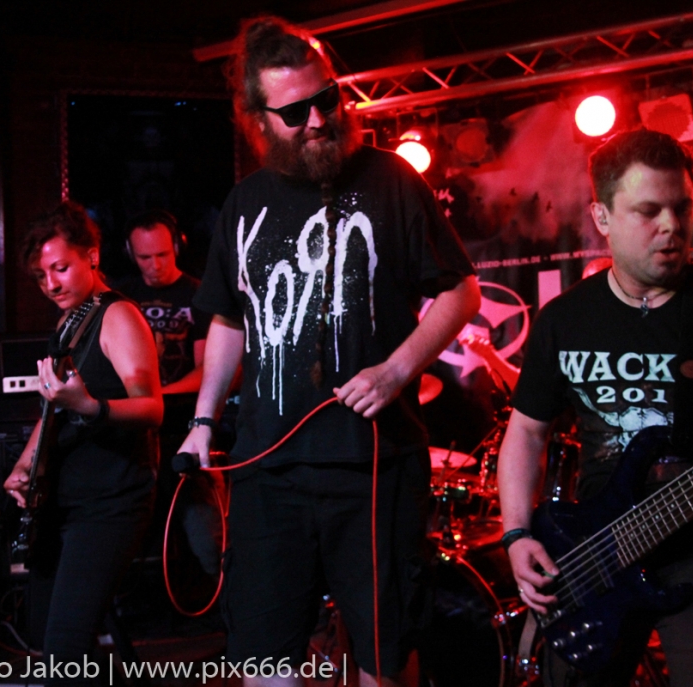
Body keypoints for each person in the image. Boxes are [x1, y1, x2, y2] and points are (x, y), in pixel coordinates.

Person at [176, 16, 480, 687]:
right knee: (264, 660)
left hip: (375, 466)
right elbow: (229, 318)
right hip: (267, 469)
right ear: (258, 119)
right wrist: (203, 419)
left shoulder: (392, 180)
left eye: (326, 100)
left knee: (384, 657)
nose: (317, 120)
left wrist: (397, 369)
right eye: (294, 112)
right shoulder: (244, 203)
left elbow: (462, 292)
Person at [497, 128, 693, 687]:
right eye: (648, 210)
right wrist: (517, 535)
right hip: (593, 551)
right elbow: (527, 432)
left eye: (681, 207)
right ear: (602, 217)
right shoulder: (565, 320)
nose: (671, 225)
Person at [4, 201, 163, 680]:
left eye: (60, 268)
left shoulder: (119, 316)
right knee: (45, 635)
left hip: (110, 502)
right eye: (40, 276)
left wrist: (91, 406)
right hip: (68, 501)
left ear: (92, 256)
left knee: (66, 645)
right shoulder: (68, 322)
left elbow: (151, 407)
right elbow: (53, 409)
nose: (50, 284)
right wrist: (26, 465)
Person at [118, 210, 211, 395]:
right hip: (133, 404)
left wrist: (161, 396)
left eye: (162, 254)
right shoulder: (122, 296)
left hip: (182, 402)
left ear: (176, 247)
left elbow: (208, 368)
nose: (156, 265)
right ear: (131, 254)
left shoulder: (200, 295)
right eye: (145, 258)